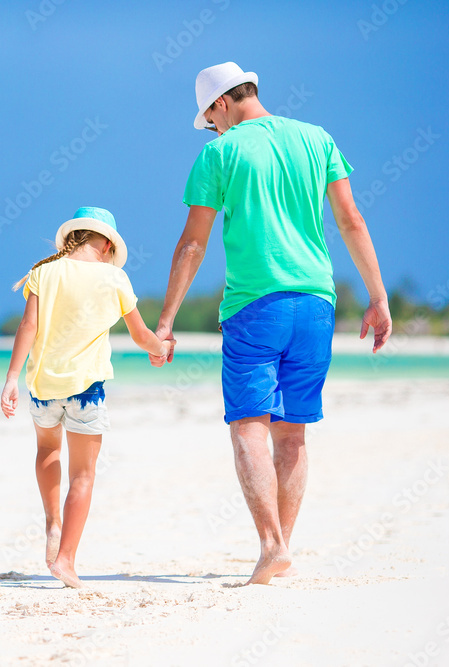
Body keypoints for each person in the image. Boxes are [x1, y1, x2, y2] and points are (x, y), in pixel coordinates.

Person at [152, 62, 392, 585]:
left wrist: (166, 320)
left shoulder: (219, 153)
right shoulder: (317, 139)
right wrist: (378, 296)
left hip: (255, 306)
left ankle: (270, 545)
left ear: (220, 105)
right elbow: (352, 220)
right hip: (316, 302)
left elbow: (193, 243)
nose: (212, 129)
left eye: (210, 119)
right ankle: (280, 550)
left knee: (248, 425)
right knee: (293, 432)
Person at [0, 206, 171, 588]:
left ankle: (52, 523)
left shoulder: (43, 273)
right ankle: (65, 560)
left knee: (47, 452)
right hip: (86, 391)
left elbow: (28, 326)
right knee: (83, 475)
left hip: (43, 388)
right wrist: (160, 348)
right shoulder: (114, 278)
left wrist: (12, 378)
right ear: (107, 243)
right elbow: (141, 335)